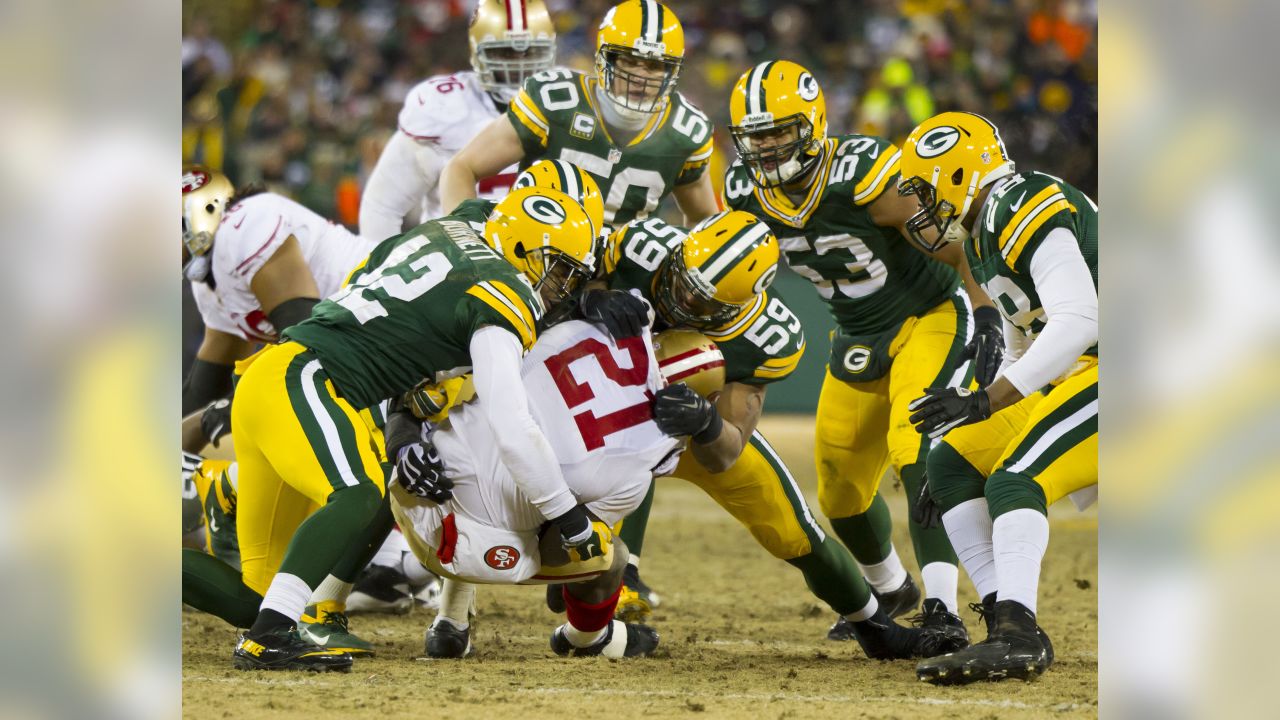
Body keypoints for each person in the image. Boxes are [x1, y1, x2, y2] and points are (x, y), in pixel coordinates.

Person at [222, 187, 599, 672]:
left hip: (278, 372)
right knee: (358, 493)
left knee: (259, 594)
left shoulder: (456, 226)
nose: (562, 284)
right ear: (524, 247)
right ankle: (269, 638)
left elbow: (462, 214)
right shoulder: (505, 295)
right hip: (307, 377)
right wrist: (566, 514)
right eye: (560, 267)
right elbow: (513, 427)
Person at [594, 210, 964, 659]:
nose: (681, 302)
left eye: (702, 303)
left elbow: (724, 454)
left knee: (794, 530)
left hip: (688, 430)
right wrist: (594, 297)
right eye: (682, 281)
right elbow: (577, 289)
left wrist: (704, 422)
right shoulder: (638, 248)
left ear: (738, 307)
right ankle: (586, 610)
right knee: (571, 525)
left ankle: (873, 624)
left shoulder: (763, 336)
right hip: (603, 417)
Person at [722, 61, 997, 642]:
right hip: (855, 336)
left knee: (914, 445)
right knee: (839, 485)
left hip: (928, 317)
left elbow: (956, 243)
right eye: (757, 136)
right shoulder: (744, 193)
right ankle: (893, 586)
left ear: (814, 123)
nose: (768, 148)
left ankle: (944, 608)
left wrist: (989, 312)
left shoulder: (863, 173)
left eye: (780, 131)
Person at [897, 111, 1097, 684]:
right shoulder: (986, 232)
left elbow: (1081, 317)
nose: (920, 206)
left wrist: (987, 401)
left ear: (957, 173)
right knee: (953, 461)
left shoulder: (1020, 202)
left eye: (923, 188)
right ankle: (1007, 620)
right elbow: (1022, 349)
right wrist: (977, 407)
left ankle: (1017, 635)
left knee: (1015, 479)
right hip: (1081, 369)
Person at [389, 321, 712, 659]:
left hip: (418, 511)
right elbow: (565, 542)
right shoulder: (637, 468)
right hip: (497, 557)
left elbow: (409, 386)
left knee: (432, 406)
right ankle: (587, 638)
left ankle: (435, 613)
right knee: (608, 554)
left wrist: (401, 445)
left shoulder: (551, 340)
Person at [440, 0, 719, 231]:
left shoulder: (685, 133)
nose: (640, 77)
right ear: (604, 59)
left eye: (655, 66)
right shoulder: (557, 102)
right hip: (538, 250)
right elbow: (461, 168)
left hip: (620, 277)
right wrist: (467, 238)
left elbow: (703, 221)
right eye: (630, 61)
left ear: (673, 71)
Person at [181, 166, 375, 417]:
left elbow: (308, 341)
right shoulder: (208, 280)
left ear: (197, 217)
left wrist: (231, 410)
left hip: (396, 311)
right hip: (361, 345)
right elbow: (206, 389)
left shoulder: (247, 224)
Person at [359, 0, 556, 241]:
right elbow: (382, 207)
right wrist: (383, 272)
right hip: (455, 268)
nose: (519, 65)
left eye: (530, 51)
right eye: (505, 52)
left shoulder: (569, 104)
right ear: (477, 51)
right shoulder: (445, 109)